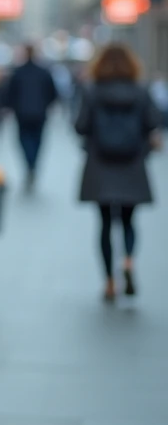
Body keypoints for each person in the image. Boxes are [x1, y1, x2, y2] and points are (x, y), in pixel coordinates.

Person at [75, 42, 161, 301]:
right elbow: (154, 123)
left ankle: (110, 282)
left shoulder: (92, 92)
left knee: (104, 224)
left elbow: (81, 126)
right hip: (132, 165)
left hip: (101, 166)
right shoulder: (141, 91)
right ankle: (128, 263)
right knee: (128, 221)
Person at [1, 43, 60, 190]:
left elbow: (9, 93)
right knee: (37, 141)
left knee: (24, 140)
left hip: (22, 114)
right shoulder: (44, 72)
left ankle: (30, 164)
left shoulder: (18, 72)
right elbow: (53, 93)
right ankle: (32, 164)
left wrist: (9, 107)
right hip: (39, 113)